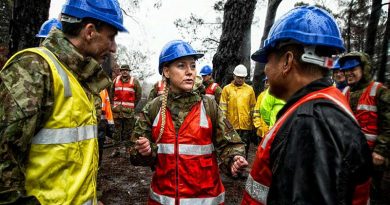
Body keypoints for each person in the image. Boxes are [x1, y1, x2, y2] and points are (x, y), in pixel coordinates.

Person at [241, 6, 372, 205]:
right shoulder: (320, 108)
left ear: (287, 62)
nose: (265, 69)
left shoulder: (310, 122)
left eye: (267, 60)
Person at [0, 0, 127, 204]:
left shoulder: (82, 78)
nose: (113, 48)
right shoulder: (33, 68)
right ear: (90, 32)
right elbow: (4, 172)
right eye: (111, 38)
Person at [129, 40, 248, 204]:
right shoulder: (153, 108)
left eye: (192, 66)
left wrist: (235, 159)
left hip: (205, 199)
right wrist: (145, 151)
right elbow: (134, 154)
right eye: (181, 66)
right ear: (166, 72)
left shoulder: (209, 106)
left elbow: (230, 144)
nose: (190, 72)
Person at [339, 51, 390, 205]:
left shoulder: (379, 90)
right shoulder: (345, 92)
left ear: (364, 69)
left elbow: (388, 123)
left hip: (373, 158)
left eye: (353, 69)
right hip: (350, 156)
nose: (348, 73)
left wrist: (380, 151)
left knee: (374, 195)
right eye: (346, 70)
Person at [220, 64, 256, 159]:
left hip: (246, 125)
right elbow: (222, 108)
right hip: (231, 125)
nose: (240, 79)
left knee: (244, 147)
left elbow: (253, 107)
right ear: (234, 76)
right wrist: (224, 123)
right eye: (239, 77)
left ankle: (242, 168)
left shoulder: (250, 90)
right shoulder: (227, 89)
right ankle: (232, 167)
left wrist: (254, 123)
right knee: (232, 148)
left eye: (243, 78)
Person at [111, 64, 142, 145]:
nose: (124, 71)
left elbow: (138, 95)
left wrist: (132, 106)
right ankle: (117, 149)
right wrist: (113, 106)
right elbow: (111, 93)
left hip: (128, 112)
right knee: (116, 131)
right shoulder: (115, 80)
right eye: (123, 70)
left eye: (126, 70)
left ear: (129, 71)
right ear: (120, 71)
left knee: (128, 132)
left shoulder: (134, 81)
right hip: (117, 111)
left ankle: (127, 149)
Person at [98, 88, 115, 166]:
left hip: (101, 123)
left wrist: (111, 123)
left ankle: (98, 165)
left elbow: (107, 107)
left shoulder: (104, 90)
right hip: (88, 122)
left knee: (100, 145)